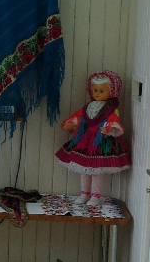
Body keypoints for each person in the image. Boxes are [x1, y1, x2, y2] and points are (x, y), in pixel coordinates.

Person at [55, 70, 132, 206]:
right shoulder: (88, 106)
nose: (97, 93)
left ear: (111, 91)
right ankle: (84, 194)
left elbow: (113, 121)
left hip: (101, 142)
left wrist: (108, 129)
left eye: (101, 91)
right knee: (84, 169)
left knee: (97, 170)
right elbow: (81, 117)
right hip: (85, 140)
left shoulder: (111, 108)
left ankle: (95, 196)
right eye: (95, 90)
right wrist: (73, 122)